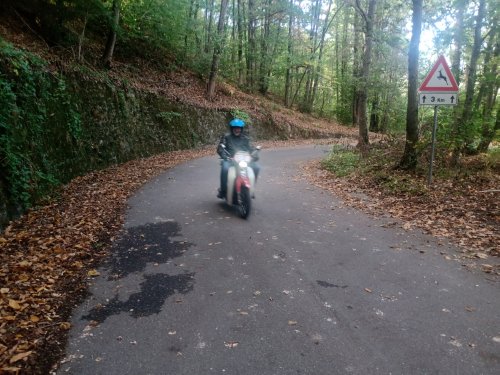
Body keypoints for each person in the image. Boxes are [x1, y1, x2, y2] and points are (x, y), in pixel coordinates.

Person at [216, 118, 260, 198]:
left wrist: (254, 155)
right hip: (230, 159)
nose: (237, 130)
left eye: (239, 128)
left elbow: (252, 148)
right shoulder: (226, 137)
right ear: (232, 128)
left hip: (245, 161)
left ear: (242, 129)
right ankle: (223, 190)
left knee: (257, 167)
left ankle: (251, 189)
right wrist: (225, 156)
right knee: (225, 169)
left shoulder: (246, 138)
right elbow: (220, 148)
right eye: (235, 128)